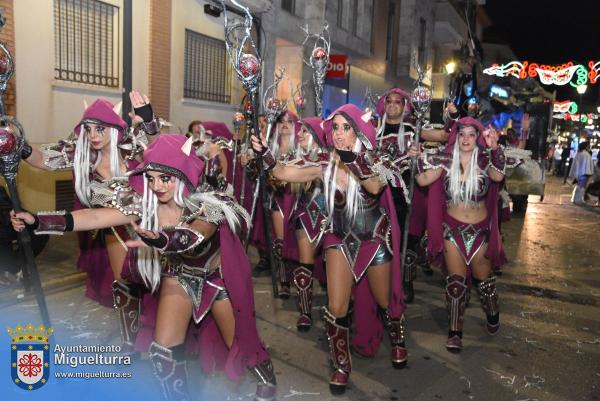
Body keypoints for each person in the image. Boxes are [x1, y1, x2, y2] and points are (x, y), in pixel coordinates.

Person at [12, 134, 277, 401]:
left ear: (182, 175)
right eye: (150, 178)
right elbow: (94, 216)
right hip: (179, 277)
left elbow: (196, 234)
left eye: (165, 178)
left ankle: (267, 381)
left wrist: (163, 239)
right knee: (163, 353)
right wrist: (38, 221)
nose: (157, 185)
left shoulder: (207, 205)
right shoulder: (145, 204)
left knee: (241, 345)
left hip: (217, 280)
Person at [252, 104, 408, 395]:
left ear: (358, 130)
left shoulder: (375, 158)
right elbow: (286, 171)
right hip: (338, 238)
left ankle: (397, 339)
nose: (338, 134)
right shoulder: (325, 161)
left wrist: (349, 158)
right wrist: (266, 156)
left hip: (373, 239)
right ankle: (341, 365)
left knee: (384, 301)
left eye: (345, 127)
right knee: (336, 307)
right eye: (334, 127)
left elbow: (374, 187)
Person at [20, 92, 160, 354]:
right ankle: (131, 342)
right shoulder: (82, 155)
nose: (94, 135)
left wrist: (148, 119)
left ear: (113, 128)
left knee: (157, 282)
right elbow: (41, 159)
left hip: (152, 223)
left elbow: (159, 148)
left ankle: (160, 334)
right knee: (125, 283)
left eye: (100, 129)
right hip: (112, 225)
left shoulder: (130, 144)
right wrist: (17, 146)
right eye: (89, 129)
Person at [414, 117, 507, 352]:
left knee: (483, 281)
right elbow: (422, 179)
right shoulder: (445, 161)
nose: (466, 139)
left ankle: (492, 311)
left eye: (471, 135)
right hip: (452, 231)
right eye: (462, 134)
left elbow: (498, 177)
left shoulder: (486, 161)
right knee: (455, 284)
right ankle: (455, 332)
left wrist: (496, 148)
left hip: (480, 232)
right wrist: (415, 159)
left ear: (478, 138)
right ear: (456, 136)